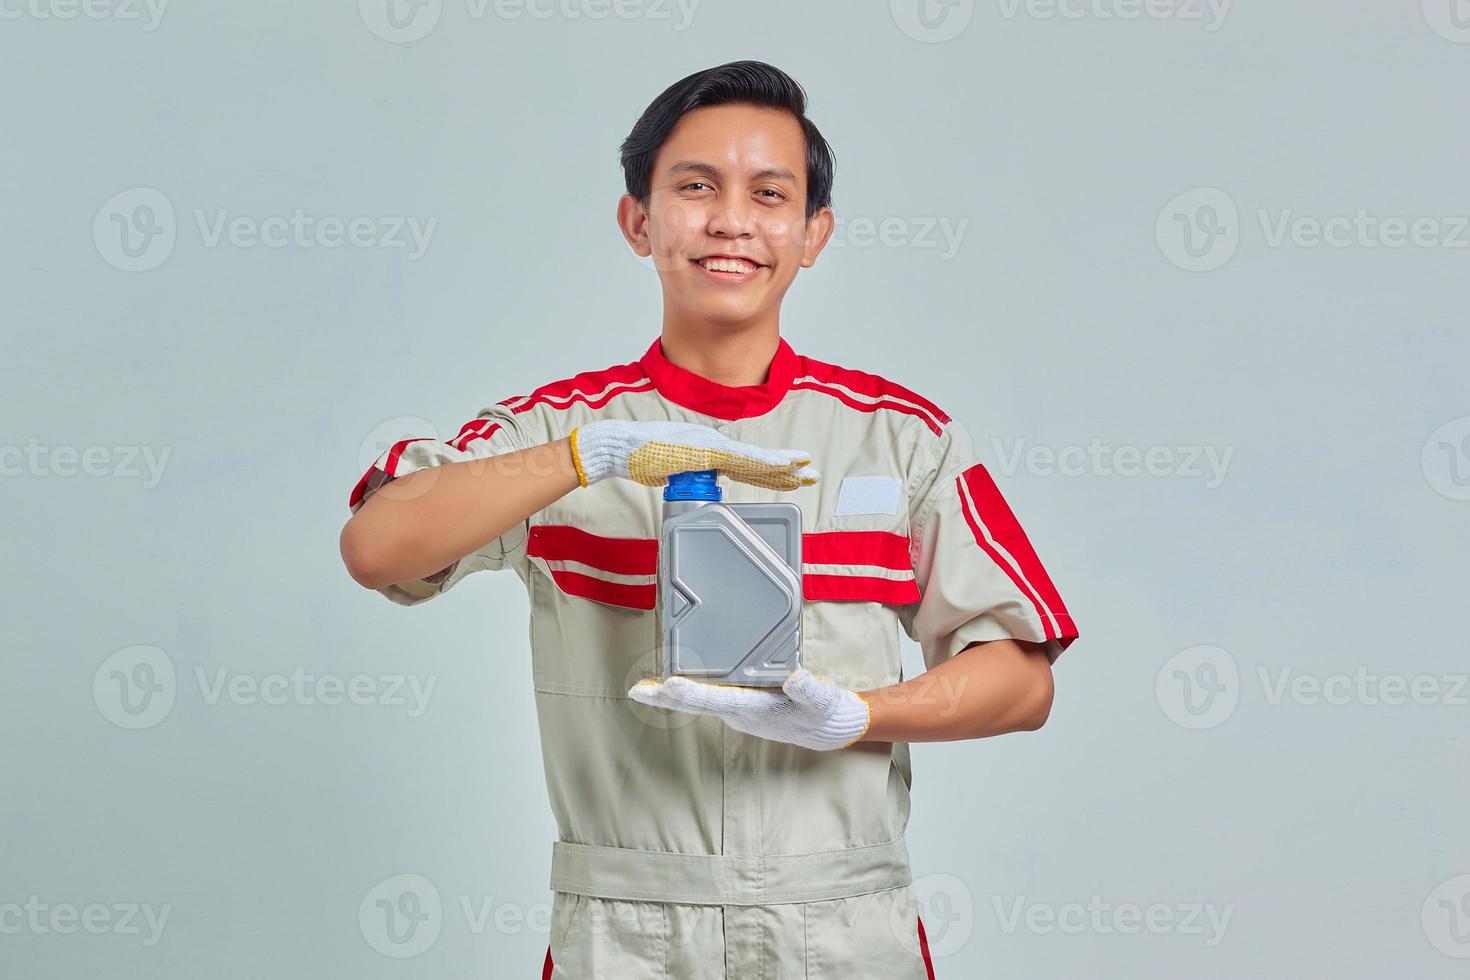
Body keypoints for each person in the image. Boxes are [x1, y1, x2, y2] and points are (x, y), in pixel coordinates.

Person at [340, 60, 1079, 980]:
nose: (732, 220)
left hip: (846, 927)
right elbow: (377, 546)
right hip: (626, 930)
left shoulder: (901, 440)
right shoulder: (553, 430)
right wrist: (583, 456)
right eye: (696, 187)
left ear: (814, 234)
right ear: (637, 220)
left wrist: (855, 716)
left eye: (770, 194)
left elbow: (1022, 678)